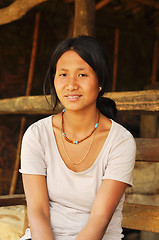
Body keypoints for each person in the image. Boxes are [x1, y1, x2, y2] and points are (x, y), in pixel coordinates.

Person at [19, 35, 136, 240]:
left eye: (82, 75)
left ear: (100, 81)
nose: (71, 85)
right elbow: (38, 212)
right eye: (63, 74)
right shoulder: (37, 135)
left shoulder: (120, 142)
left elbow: (98, 220)